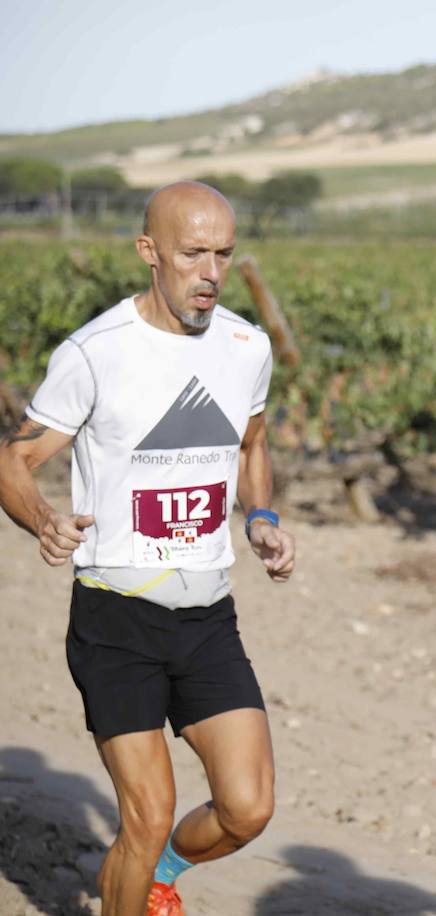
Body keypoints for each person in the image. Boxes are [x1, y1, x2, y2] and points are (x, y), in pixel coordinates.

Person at [0, 181, 294, 916]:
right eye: (193, 252)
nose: (212, 271)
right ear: (149, 253)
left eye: (224, 253)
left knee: (248, 807)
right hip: (116, 619)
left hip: (208, 617)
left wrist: (259, 515)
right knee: (146, 814)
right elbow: (14, 459)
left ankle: (161, 874)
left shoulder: (245, 347)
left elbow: (251, 443)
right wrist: (42, 520)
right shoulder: (97, 353)